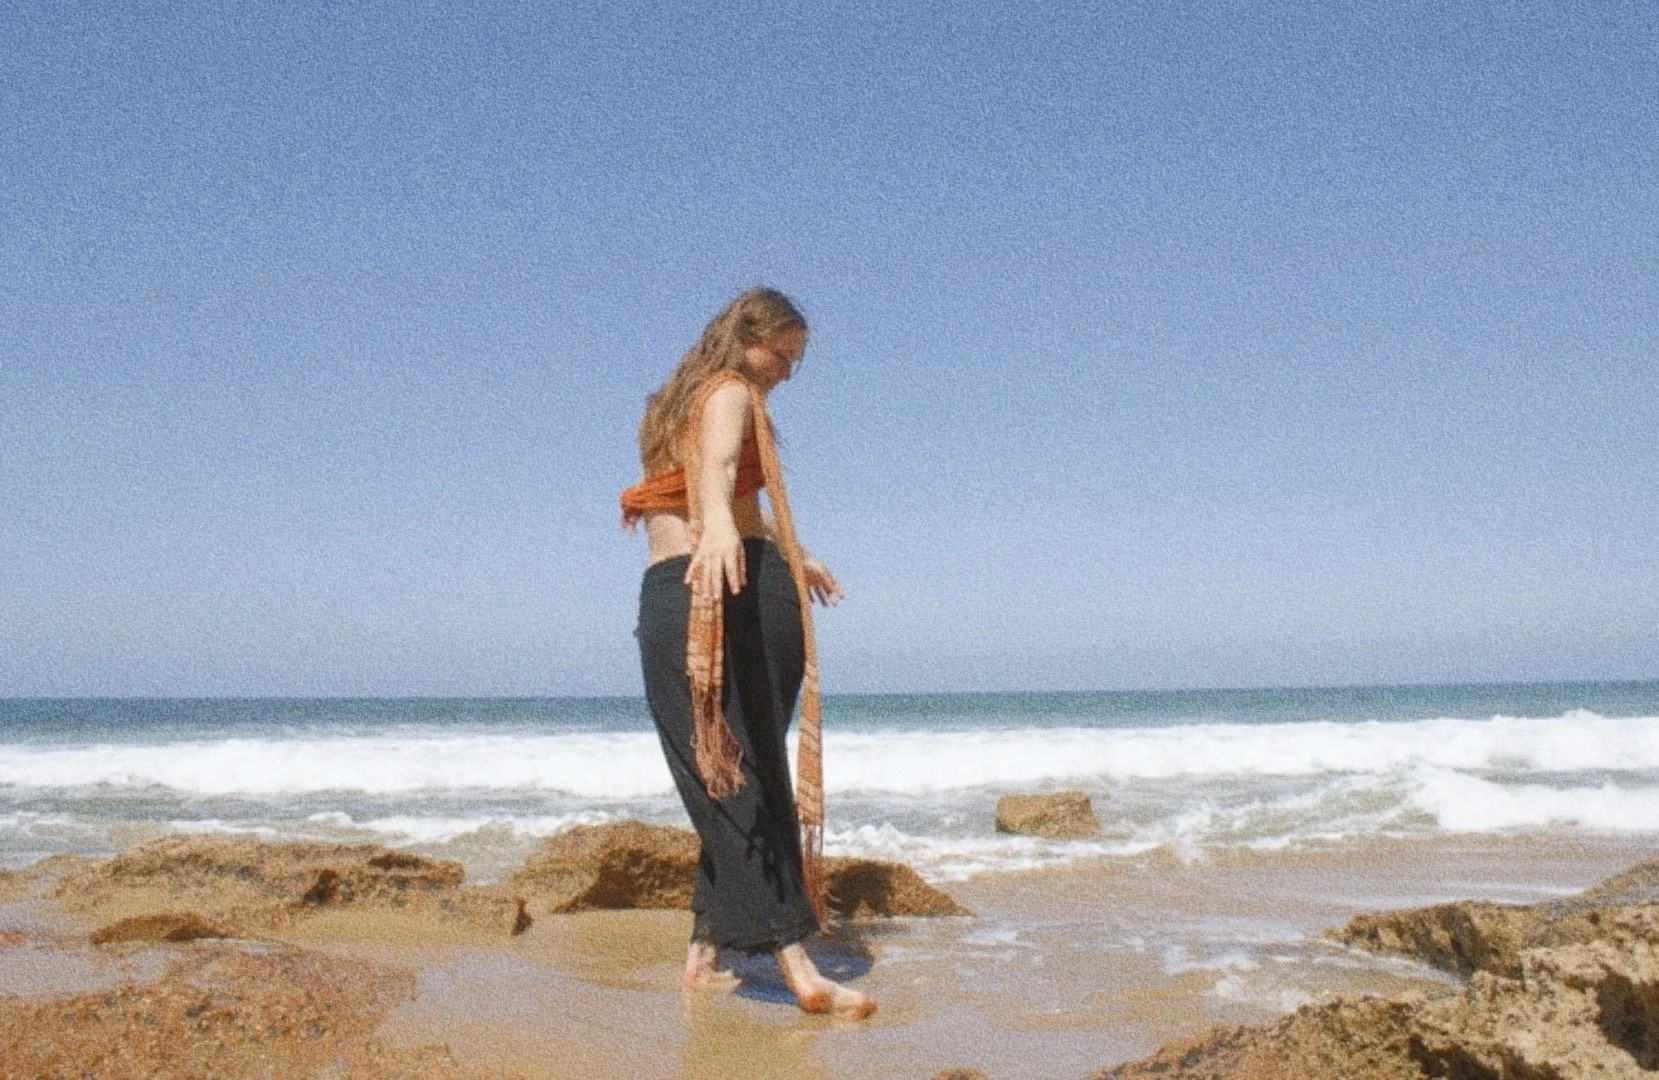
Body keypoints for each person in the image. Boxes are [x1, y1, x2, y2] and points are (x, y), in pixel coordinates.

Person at [620, 288, 875, 1019]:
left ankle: (704, 950)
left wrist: (795, 552)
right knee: (733, 775)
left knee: (726, 770)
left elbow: (736, 498)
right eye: (784, 355)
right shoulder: (729, 389)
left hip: (708, 584)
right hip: (717, 587)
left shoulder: (666, 405)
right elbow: (719, 470)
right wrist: (720, 528)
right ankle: (796, 965)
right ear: (749, 337)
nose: (788, 372)